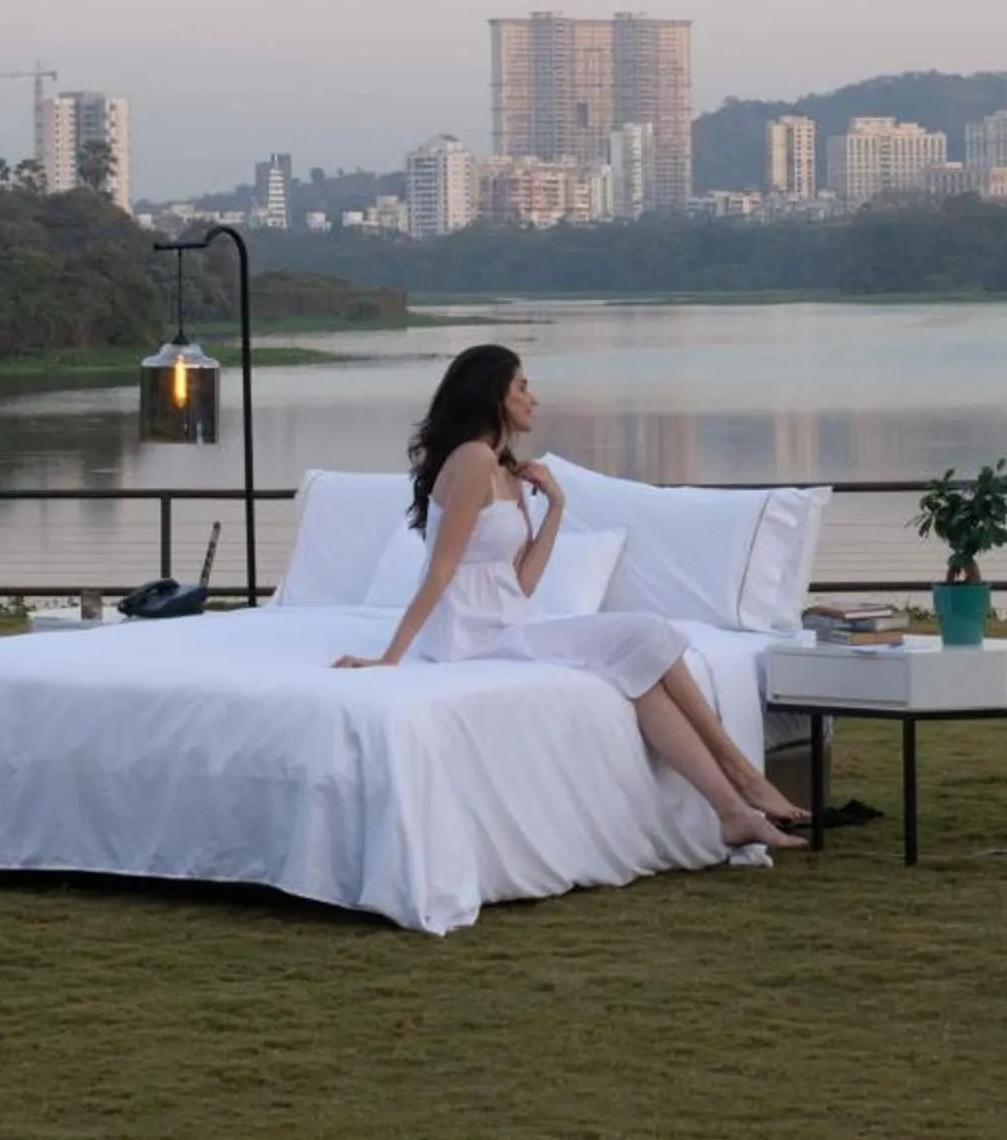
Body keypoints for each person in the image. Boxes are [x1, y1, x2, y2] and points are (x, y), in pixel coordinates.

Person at [335, 344, 808, 852]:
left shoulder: (504, 469)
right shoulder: (471, 460)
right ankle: (741, 772)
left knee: (642, 671)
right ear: (493, 395)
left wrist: (556, 505)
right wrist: (390, 657)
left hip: (508, 621)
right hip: (468, 635)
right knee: (649, 631)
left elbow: (522, 584)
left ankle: (733, 812)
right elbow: (441, 570)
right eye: (521, 386)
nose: (532, 398)